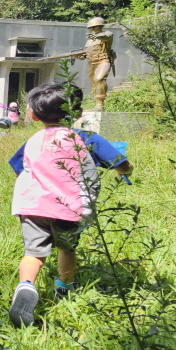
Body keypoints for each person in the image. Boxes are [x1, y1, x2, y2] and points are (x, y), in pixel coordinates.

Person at [8, 83, 99, 328]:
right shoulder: (76, 139)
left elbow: (23, 171)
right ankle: (64, 288)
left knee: (33, 254)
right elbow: (88, 176)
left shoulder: (33, 140)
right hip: (66, 208)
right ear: (77, 113)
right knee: (66, 249)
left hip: (32, 206)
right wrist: (88, 207)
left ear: (34, 115)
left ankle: (25, 286)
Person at [78, 17, 115, 110]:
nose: (92, 29)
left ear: (100, 26)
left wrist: (97, 36)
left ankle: (100, 104)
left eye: (94, 27)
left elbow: (107, 37)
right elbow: (88, 51)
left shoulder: (106, 34)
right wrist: (84, 56)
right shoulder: (90, 39)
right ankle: (96, 104)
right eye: (91, 28)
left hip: (103, 60)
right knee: (94, 83)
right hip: (91, 63)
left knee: (99, 79)